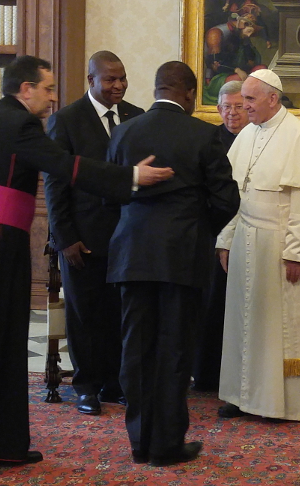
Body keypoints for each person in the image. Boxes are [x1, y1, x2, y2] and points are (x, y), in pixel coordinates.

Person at [0, 55, 174, 465]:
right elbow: (65, 167)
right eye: (47, 88)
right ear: (25, 89)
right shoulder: (19, 124)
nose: (53, 97)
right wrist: (130, 177)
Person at [106, 61, 240, 466]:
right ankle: (166, 444)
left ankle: (140, 442)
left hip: (131, 254)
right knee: (174, 349)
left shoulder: (124, 131)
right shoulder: (203, 135)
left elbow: (110, 191)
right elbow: (227, 200)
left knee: (136, 348)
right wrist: (198, 229)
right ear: (191, 94)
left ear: (155, 89)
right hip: (182, 257)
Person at [216, 69, 300, 422]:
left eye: (250, 99)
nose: (243, 106)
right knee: (244, 321)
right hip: (247, 239)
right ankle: (242, 396)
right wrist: (226, 239)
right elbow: (235, 193)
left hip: (281, 243)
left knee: (278, 326)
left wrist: (296, 252)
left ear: (272, 98)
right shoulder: (248, 134)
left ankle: (279, 404)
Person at [43, 51, 144, 415]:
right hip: (82, 238)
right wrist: (65, 237)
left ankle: (116, 383)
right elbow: (55, 185)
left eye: (122, 78)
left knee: (122, 313)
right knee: (85, 316)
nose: (118, 86)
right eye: (110, 80)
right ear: (91, 81)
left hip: (127, 237)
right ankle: (86, 386)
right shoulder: (67, 121)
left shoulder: (137, 116)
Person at [192, 80, 249, 391]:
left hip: (251, 231)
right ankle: (207, 374)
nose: (233, 114)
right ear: (218, 109)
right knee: (212, 305)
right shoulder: (209, 139)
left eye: (239, 106)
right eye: (227, 107)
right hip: (216, 232)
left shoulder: (257, 137)